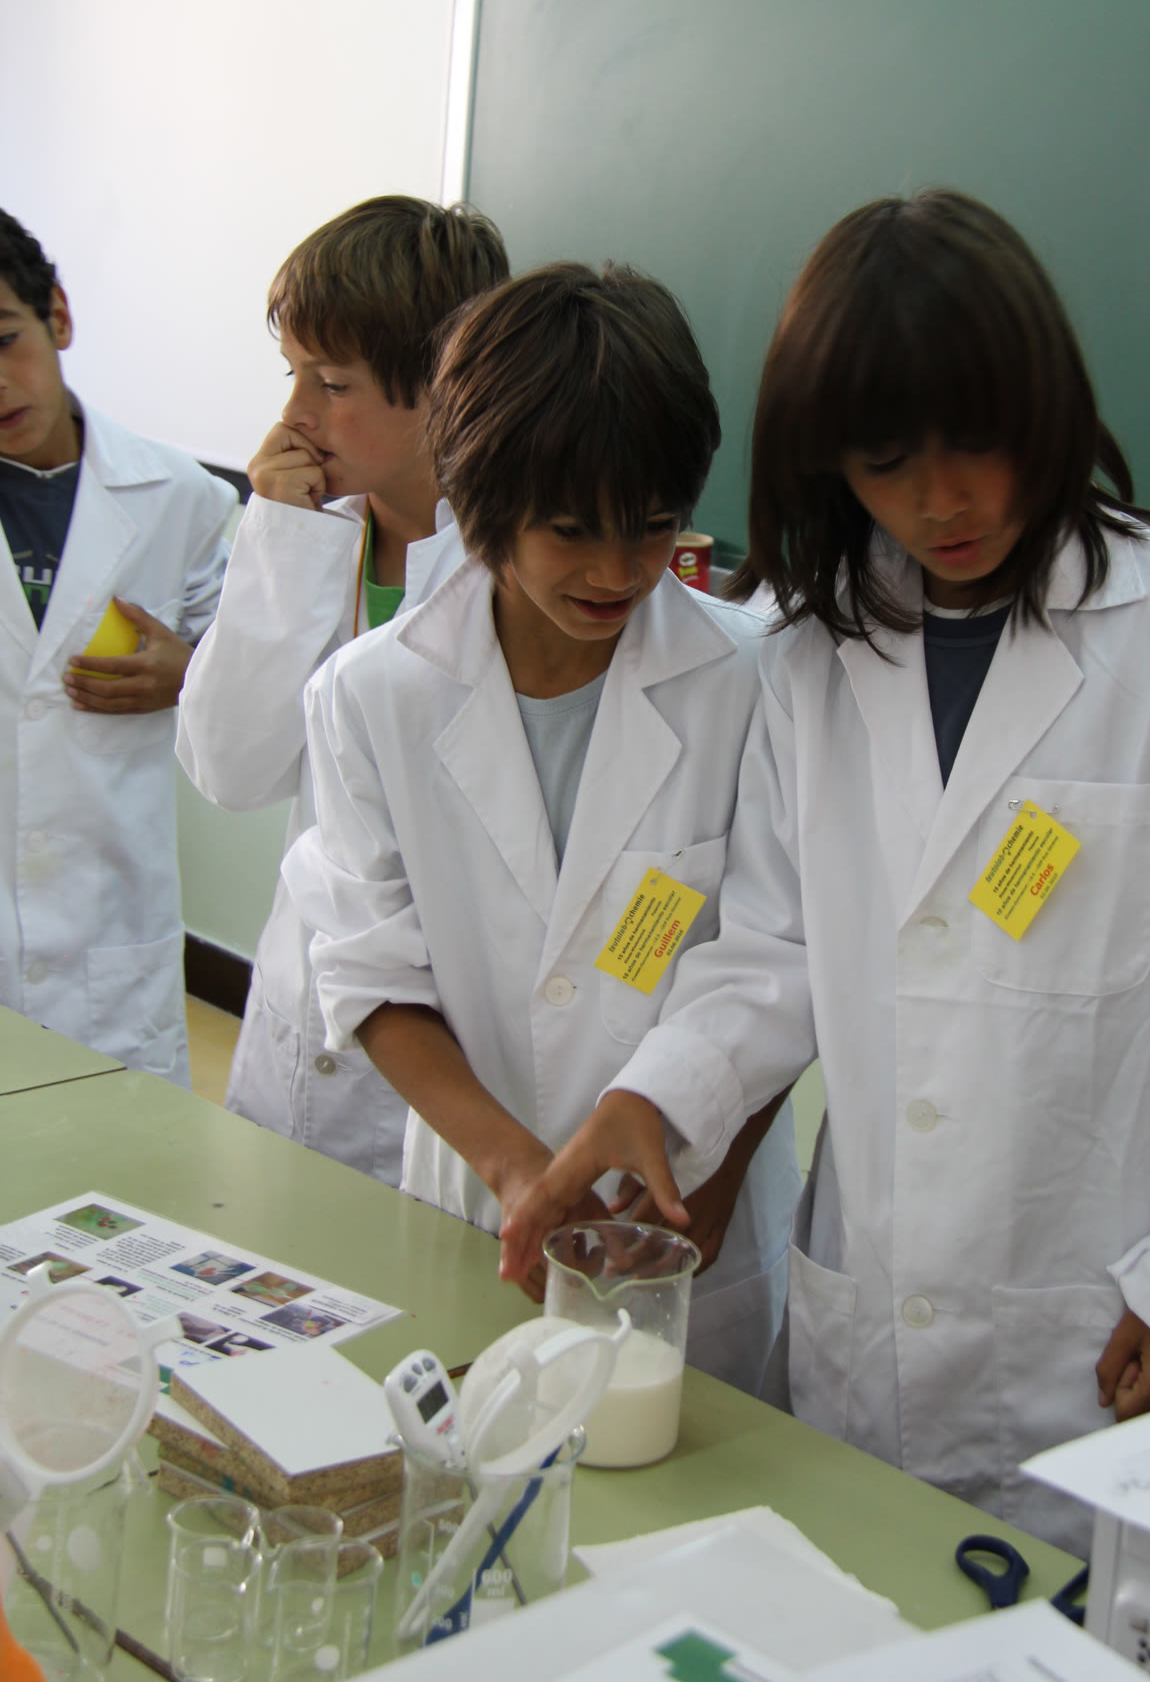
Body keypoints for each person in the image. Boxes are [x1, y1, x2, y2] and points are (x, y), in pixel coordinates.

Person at [498, 191, 1150, 1549]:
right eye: (887, 461)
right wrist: (655, 1095)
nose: (940, 502)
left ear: (1047, 404)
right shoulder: (813, 660)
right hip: (873, 1321)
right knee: (856, 1590)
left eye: (978, 444)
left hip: (1107, 1327)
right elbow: (774, 950)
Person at [282, 263, 800, 1392]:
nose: (618, 572)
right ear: (481, 505)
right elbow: (371, 970)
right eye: (571, 532)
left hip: (684, 1226)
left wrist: (706, 1180)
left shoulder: (757, 682)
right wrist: (517, 1168)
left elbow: (777, 958)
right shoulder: (373, 695)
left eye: (652, 527)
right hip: (480, 1202)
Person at [177, 196, 508, 1183]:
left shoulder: (517, 571)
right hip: (296, 1020)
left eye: (330, 383)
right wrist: (280, 541)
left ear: (449, 384)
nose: (294, 416)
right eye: (291, 375)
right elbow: (230, 768)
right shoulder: (308, 532)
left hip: (445, 1060)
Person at [0, 207, 237, 1083]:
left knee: (114, 1160)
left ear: (57, 316)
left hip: (109, 942)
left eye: (4, 340)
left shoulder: (181, 498)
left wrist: (191, 673)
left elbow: (258, 689)